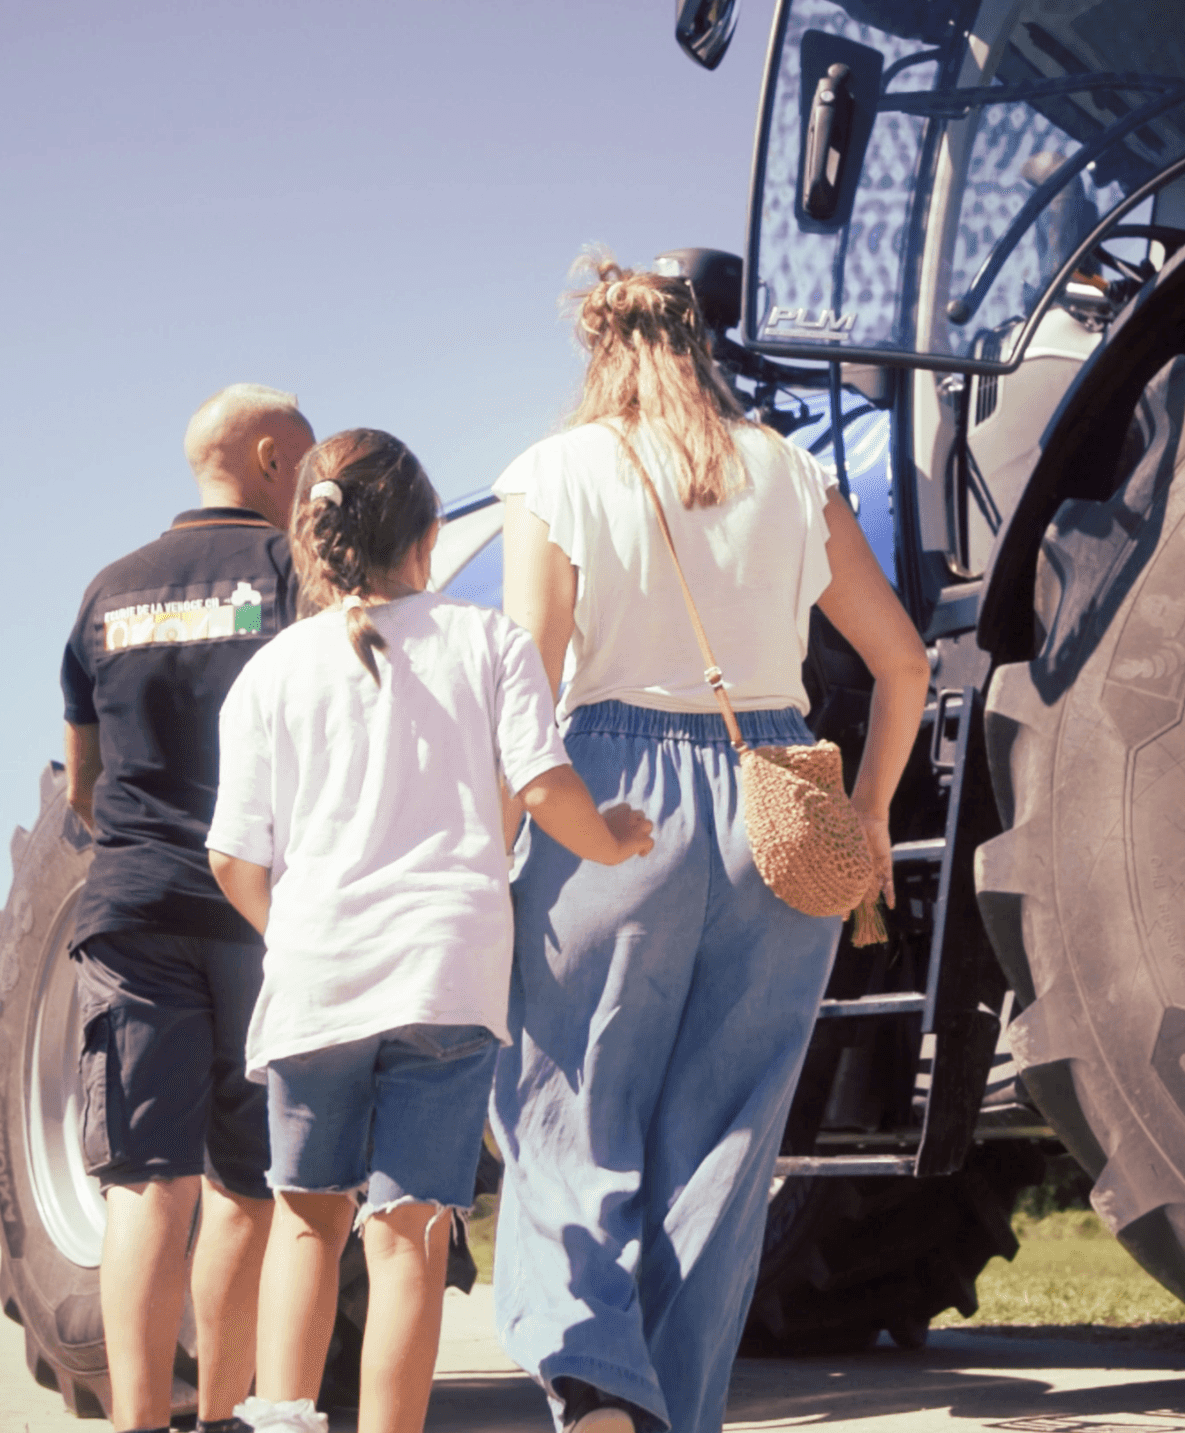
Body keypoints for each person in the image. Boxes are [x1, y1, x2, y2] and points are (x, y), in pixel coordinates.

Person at [487, 255, 930, 1433]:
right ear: (702, 349)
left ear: (601, 350)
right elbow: (903, 663)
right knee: (727, 1147)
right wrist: (871, 817)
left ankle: (593, 1383)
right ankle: (671, 1412)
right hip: (778, 800)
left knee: (565, 1107)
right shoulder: (796, 472)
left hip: (610, 791)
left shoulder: (554, 474)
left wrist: (492, 843)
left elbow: (528, 672)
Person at [205, 428, 657, 1433]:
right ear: (429, 535)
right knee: (407, 1235)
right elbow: (543, 788)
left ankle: (282, 1420)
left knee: (305, 1221)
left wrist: (298, 936)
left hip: (319, 975)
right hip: (447, 973)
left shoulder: (273, 672)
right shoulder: (487, 640)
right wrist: (616, 839)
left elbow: (234, 859)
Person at [59, 384, 310, 1433]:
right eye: (302, 460)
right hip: (259, 912)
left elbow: (82, 782)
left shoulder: (108, 589)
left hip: (138, 907)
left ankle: (137, 1423)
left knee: (147, 1182)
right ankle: (221, 1415)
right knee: (249, 1188)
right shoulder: (291, 574)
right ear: (265, 454)